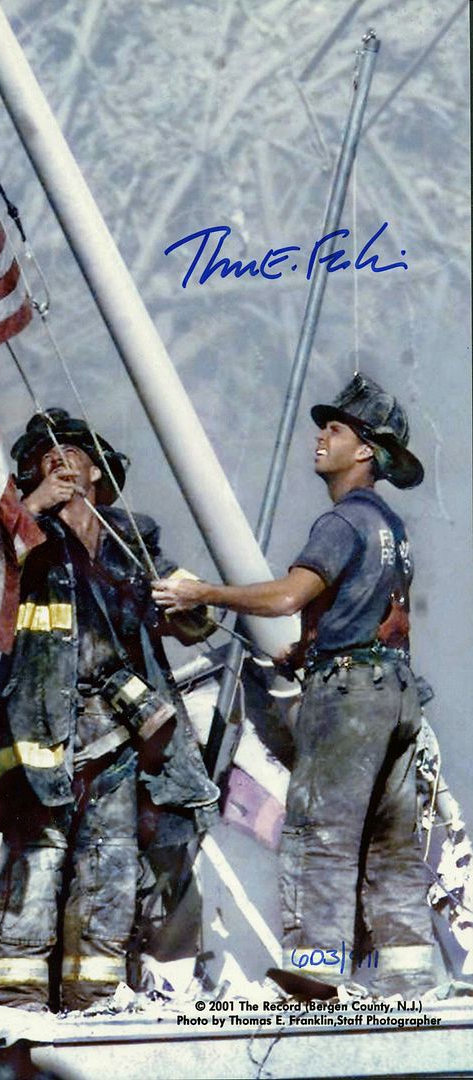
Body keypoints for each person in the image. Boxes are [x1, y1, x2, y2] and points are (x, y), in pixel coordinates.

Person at [152, 373, 434, 997]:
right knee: (390, 841)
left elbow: (286, 596)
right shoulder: (392, 527)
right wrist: (308, 648)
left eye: (334, 429)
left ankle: (317, 969)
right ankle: (409, 981)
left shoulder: (341, 522)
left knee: (320, 831)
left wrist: (200, 592)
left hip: (350, 696)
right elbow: (373, 608)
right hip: (396, 693)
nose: (320, 437)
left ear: (364, 450)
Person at [0, 409, 219, 1012]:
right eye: (45, 456)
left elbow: (192, 624)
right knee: (37, 861)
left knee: (111, 866)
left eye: (72, 450)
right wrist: (28, 509)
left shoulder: (135, 541)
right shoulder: (19, 539)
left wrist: (187, 607)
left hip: (119, 734)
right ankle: (14, 1002)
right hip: (36, 728)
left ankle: (95, 997)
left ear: (99, 471)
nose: (58, 458)